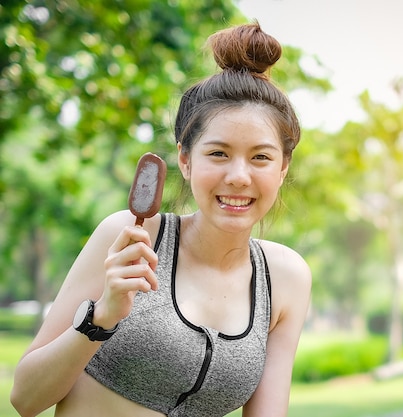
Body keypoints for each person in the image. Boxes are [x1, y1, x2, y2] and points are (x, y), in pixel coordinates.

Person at [11, 21, 312, 417]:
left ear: (283, 168)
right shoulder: (131, 237)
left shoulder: (286, 278)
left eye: (261, 157)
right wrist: (102, 316)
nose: (239, 176)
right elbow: (25, 399)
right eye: (218, 153)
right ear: (185, 160)